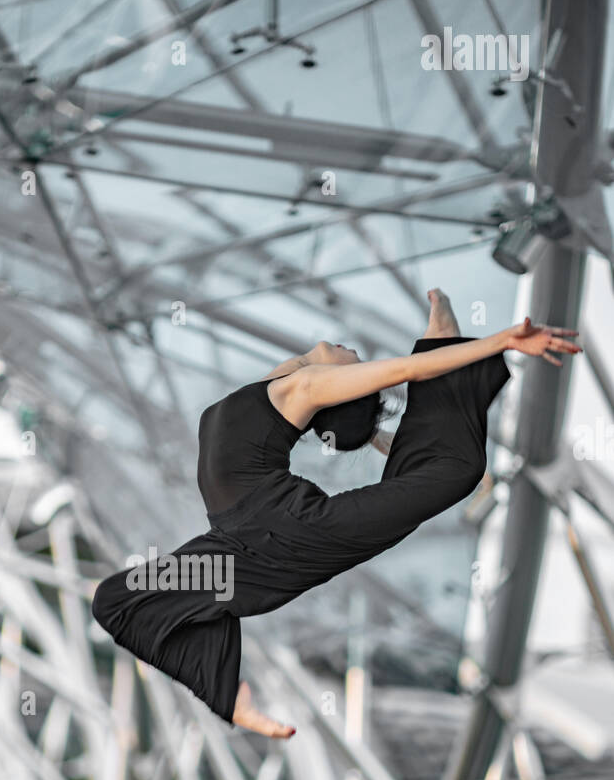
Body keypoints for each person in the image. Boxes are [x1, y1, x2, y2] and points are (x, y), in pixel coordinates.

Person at [92, 290, 580, 738]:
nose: (351, 352)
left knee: (458, 469)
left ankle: (440, 347)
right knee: (116, 599)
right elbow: (396, 380)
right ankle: (224, 693)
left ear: (336, 390)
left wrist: (503, 341)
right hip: (241, 538)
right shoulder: (272, 390)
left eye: (354, 370)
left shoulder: (299, 388)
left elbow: (402, 373)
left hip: (281, 530)